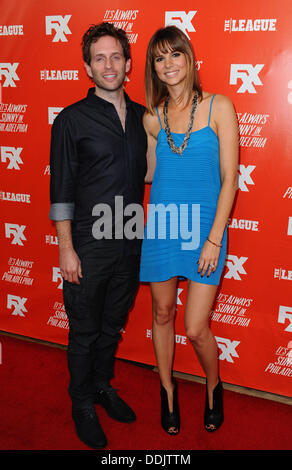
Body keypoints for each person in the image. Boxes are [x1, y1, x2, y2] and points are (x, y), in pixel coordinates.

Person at [49, 22, 147, 449]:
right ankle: (82, 402)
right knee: (84, 330)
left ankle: (103, 387)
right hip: (88, 244)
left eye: (116, 56)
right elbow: (62, 191)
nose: (109, 65)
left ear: (127, 64)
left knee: (112, 326)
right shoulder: (70, 120)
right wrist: (66, 249)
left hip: (131, 241)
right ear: (88, 67)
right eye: (100, 57)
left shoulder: (146, 118)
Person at [140, 26, 239, 434]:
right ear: (154, 69)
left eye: (174, 55)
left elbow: (230, 179)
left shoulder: (220, 107)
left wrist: (213, 239)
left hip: (203, 230)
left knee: (196, 328)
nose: (169, 65)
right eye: (160, 59)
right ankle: (167, 390)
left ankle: (214, 386)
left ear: (189, 58)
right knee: (162, 313)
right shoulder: (151, 118)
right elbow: (149, 173)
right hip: (162, 225)